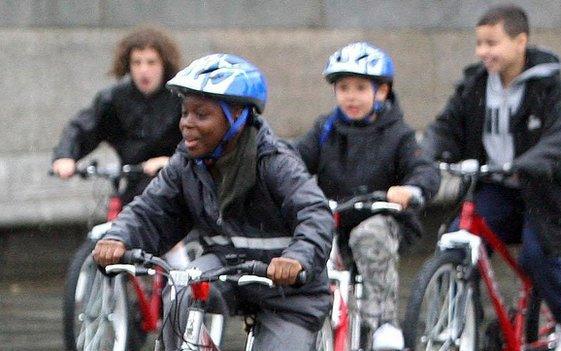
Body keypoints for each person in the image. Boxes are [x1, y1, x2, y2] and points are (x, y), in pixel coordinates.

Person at [92, 53, 334, 350]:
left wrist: (297, 258)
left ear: (238, 117)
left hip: (289, 294)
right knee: (182, 288)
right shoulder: (186, 163)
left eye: (201, 115)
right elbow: (151, 209)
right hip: (228, 272)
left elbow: (315, 213)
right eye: (185, 113)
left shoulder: (274, 161)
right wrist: (119, 237)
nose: (187, 124)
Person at [422, 5, 561, 351]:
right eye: (479, 43)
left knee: (536, 255)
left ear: (521, 42)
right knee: (457, 240)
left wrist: (527, 162)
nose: (483, 52)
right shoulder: (475, 84)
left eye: (492, 43)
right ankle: (456, 323)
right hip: (496, 188)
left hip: (544, 191)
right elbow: (446, 126)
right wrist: (425, 155)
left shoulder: (549, 89)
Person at [295, 42, 440, 350]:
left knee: (369, 235)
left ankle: (384, 322)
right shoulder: (325, 129)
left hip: (384, 219)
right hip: (335, 217)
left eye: (361, 87)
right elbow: (294, 161)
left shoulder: (398, 134)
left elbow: (423, 168)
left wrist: (410, 190)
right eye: (343, 87)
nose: (351, 96)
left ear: (382, 92)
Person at [51, 26, 189, 267]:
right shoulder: (115, 98)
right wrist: (66, 156)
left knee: (169, 231)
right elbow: (85, 126)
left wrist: (171, 160)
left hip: (176, 181)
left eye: (151, 62)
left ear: (164, 64)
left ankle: (187, 281)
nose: (143, 70)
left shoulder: (180, 97)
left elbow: (199, 137)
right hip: (134, 179)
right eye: (136, 62)